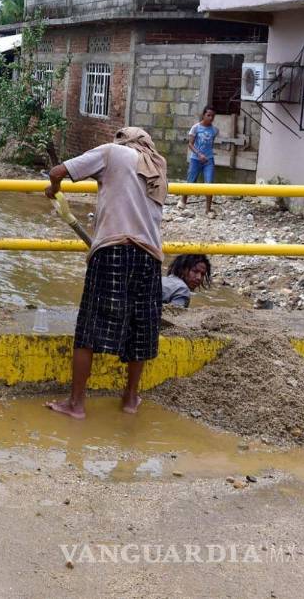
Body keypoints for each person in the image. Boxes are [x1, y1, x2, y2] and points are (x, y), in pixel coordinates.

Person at [43, 126, 167, 420]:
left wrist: (54, 189)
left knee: (89, 328)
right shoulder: (158, 167)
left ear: (123, 140)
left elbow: (57, 171)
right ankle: (130, 399)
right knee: (140, 330)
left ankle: (76, 404)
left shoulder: (112, 153)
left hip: (112, 249)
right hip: (149, 256)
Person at [179, 106, 218, 215]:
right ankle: (183, 201)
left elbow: (211, 144)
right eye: (208, 115)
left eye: (212, 116)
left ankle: (208, 209)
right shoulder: (195, 128)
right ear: (203, 115)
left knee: (209, 183)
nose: (210, 118)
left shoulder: (214, 130)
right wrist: (199, 154)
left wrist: (207, 155)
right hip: (195, 159)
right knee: (190, 180)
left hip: (208, 160)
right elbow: (190, 144)